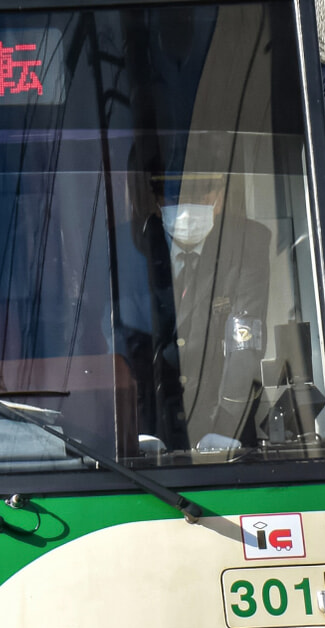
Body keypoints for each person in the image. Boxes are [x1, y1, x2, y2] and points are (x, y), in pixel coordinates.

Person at [116, 162, 271, 454]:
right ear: (158, 200)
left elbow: (246, 342)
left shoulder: (247, 244)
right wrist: (137, 427)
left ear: (220, 197)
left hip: (226, 423)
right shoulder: (127, 246)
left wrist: (225, 428)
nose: (188, 207)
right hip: (147, 424)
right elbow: (122, 339)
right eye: (175, 196)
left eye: (201, 193)